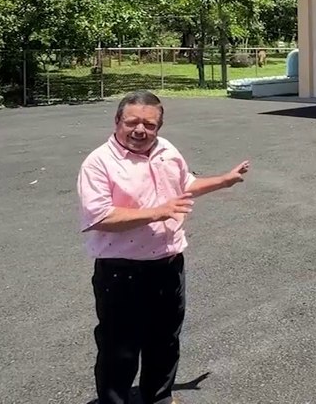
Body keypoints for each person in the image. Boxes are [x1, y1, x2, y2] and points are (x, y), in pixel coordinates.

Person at [76, 90, 250, 404]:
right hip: (121, 271)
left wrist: (224, 180)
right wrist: (158, 211)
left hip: (168, 265)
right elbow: (100, 216)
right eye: (132, 122)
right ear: (117, 121)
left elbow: (185, 185)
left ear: (159, 127)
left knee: (164, 340)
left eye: (149, 124)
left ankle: (158, 397)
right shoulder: (99, 163)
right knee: (120, 348)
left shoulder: (166, 150)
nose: (140, 130)